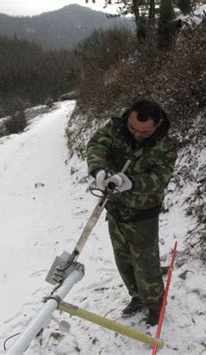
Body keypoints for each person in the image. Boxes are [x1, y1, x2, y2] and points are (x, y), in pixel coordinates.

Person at [86, 98, 177, 326]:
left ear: (156, 126)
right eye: (133, 128)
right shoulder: (116, 127)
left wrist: (132, 183)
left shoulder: (166, 145)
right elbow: (97, 144)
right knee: (124, 261)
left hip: (143, 214)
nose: (136, 134)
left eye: (144, 132)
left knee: (145, 264)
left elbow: (159, 179)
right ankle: (136, 297)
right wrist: (98, 169)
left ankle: (156, 305)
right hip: (115, 209)